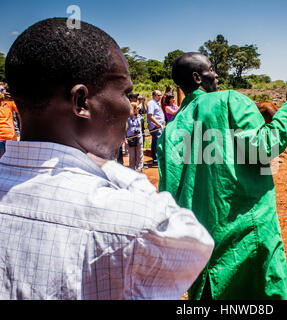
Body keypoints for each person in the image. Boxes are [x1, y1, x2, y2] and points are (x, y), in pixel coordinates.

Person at [0, 18, 213, 300]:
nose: (129, 108)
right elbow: (194, 241)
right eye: (126, 93)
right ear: (81, 102)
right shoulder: (134, 222)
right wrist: (104, 164)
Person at [157, 52, 287, 300]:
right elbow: (265, 146)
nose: (217, 74)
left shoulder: (171, 130)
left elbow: (169, 196)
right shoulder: (229, 101)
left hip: (202, 250)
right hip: (250, 238)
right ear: (198, 77)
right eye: (212, 68)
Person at [0, 89, 20, 157]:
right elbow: (20, 114)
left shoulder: (9, 102)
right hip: (10, 136)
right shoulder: (9, 102)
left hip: (8, 137)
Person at [146, 90, 164, 164]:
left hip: (159, 126)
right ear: (154, 95)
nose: (160, 96)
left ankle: (156, 158)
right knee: (157, 142)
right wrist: (158, 124)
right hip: (155, 127)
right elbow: (150, 116)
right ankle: (156, 159)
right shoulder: (151, 103)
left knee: (156, 142)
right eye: (158, 95)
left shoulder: (157, 103)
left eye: (160, 95)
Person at [126, 102, 144, 172]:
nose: (137, 109)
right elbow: (125, 129)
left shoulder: (139, 116)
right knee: (132, 155)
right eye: (136, 108)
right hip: (130, 138)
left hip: (139, 137)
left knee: (140, 153)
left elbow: (140, 126)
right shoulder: (127, 118)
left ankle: (139, 169)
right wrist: (125, 139)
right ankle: (132, 169)